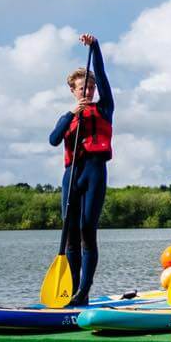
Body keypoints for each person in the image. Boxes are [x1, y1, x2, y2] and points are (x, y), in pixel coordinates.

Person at [47, 34, 114, 306]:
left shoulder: (105, 107)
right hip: (71, 175)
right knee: (70, 233)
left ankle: (84, 291)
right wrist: (71, 114)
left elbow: (102, 74)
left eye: (89, 87)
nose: (86, 91)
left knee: (87, 229)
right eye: (81, 88)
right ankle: (71, 291)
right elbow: (53, 140)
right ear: (73, 91)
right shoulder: (68, 116)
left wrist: (95, 47)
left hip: (95, 172)